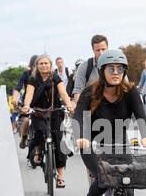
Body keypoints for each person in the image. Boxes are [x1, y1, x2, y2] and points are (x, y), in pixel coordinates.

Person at [73, 49, 146, 196]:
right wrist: (81, 137)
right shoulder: (90, 93)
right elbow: (79, 118)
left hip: (119, 144)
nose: (116, 72)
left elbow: (141, 116)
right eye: (111, 69)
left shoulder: (130, 92)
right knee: (104, 175)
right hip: (92, 144)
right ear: (102, 71)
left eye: (120, 69)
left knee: (129, 190)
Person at [21, 55, 75, 187]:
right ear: (37, 66)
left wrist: (68, 104)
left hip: (54, 112)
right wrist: (27, 105)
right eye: (41, 63)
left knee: (59, 141)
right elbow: (29, 94)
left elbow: (63, 93)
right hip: (38, 112)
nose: (44, 65)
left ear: (51, 65)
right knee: (39, 132)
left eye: (46, 63)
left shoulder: (55, 77)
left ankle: (60, 177)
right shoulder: (33, 79)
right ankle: (38, 152)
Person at [72, 35, 109, 102]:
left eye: (103, 49)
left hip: (112, 107)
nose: (101, 53)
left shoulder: (116, 65)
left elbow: (126, 88)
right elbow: (78, 91)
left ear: (108, 48)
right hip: (90, 108)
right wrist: (79, 111)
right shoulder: (84, 67)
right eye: (97, 50)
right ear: (93, 50)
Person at [14, 55, 38, 149]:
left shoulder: (44, 74)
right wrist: (15, 99)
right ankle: (24, 138)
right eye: (34, 65)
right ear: (31, 65)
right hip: (27, 102)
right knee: (27, 120)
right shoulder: (26, 74)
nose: (36, 68)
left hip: (40, 102)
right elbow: (18, 88)